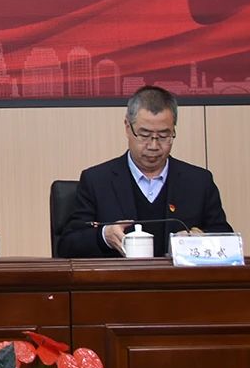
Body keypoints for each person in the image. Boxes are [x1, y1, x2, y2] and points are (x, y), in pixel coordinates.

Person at [57, 85, 233, 258]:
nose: (153, 145)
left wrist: (200, 238)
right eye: (144, 135)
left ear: (173, 130)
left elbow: (226, 241)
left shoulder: (199, 182)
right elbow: (67, 245)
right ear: (128, 127)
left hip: (178, 277)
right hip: (119, 277)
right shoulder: (97, 181)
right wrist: (104, 236)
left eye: (163, 136)